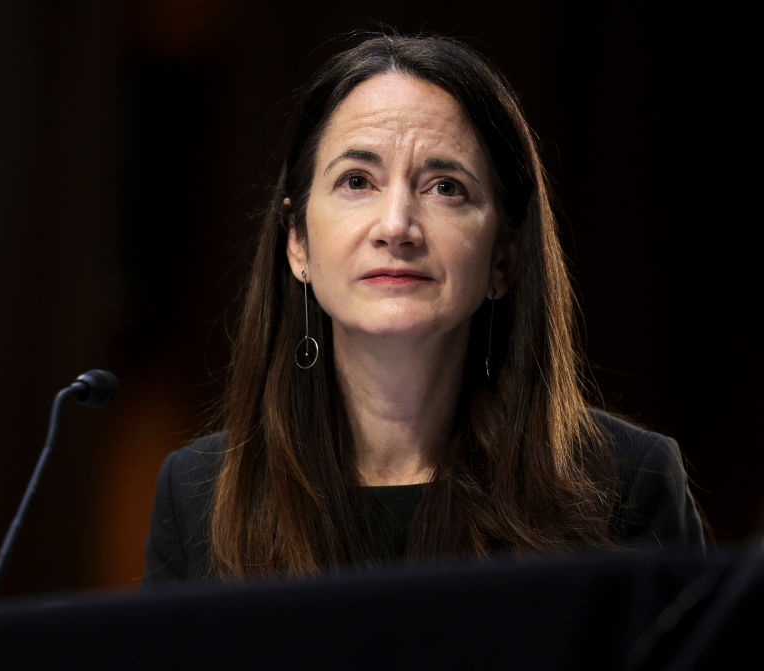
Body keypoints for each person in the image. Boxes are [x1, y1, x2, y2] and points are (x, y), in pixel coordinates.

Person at [142, 32, 705, 585]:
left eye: (445, 188)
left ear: (504, 257)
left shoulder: (628, 483)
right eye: (357, 181)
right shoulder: (199, 495)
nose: (396, 227)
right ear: (298, 243)